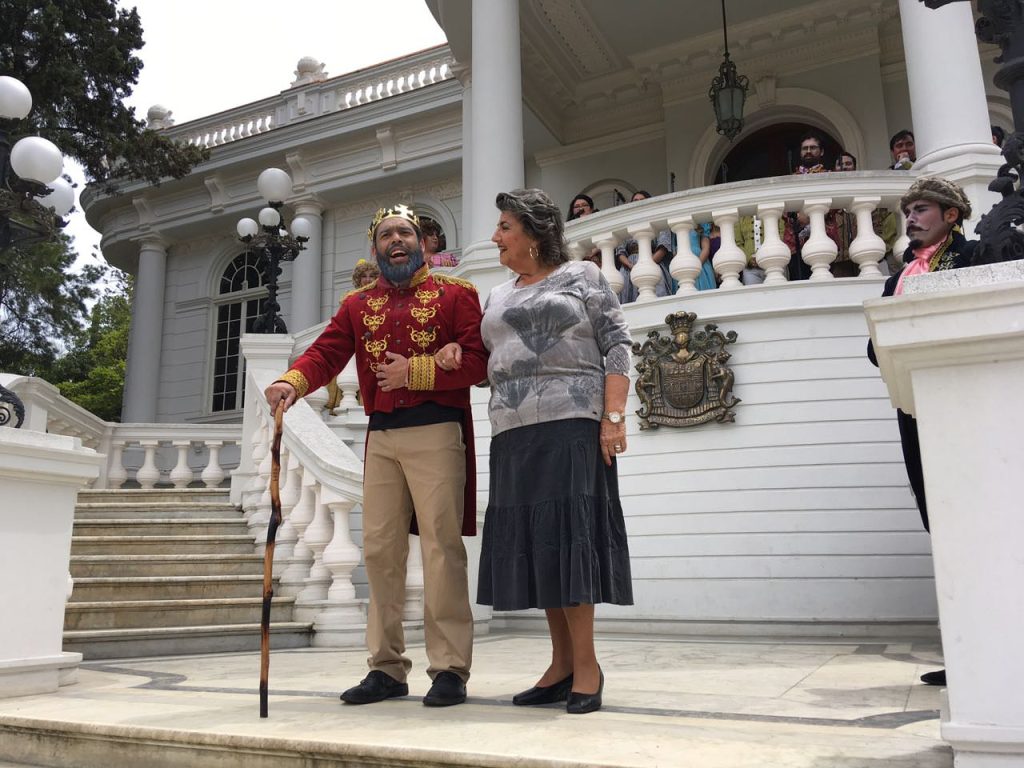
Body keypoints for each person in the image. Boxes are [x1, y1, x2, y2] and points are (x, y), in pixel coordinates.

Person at [264, 203, 487, 708]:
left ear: (424, 242)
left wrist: (420, 372)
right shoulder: (357, 305)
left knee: (441, 549)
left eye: (405, 233)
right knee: (380, 552)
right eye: (387, 235)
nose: (397, 241)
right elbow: (325, 353)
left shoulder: (457, 294)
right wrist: (291, 381)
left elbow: (477, 361)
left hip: (436, 429)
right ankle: (385, 667)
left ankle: (450, 667)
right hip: (381, 434)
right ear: (375, 248)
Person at [472, 188, 634, 715]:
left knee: (570, 540)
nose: (495, 237)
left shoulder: (582, 277)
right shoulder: (496, 295)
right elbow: (486, 360)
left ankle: (587, 665)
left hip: (572, 422)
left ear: (534, 232)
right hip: (513, 430)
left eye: (504, 227)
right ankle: (560, 664)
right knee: (542, 544)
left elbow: (617, 344)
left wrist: (612, 418)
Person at [866, 176, 976, 689]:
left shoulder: (978, 256)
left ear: (952, 215)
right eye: (908, 209)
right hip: (916, 411)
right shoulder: (897, 279)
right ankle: (966, 650)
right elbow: (877, 348)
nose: (910, 217)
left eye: (923, 208)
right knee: (944, 526)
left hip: (970, 409)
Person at [615, 190, 674, 301]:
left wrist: (646, 264)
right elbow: (620, 251)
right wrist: (632, 266)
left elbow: (663, 247)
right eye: (635, 201)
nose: (638, 203)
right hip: (629, 268)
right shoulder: (626, 223)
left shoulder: (658, 220)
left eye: (642, 200)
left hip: (652, 263)